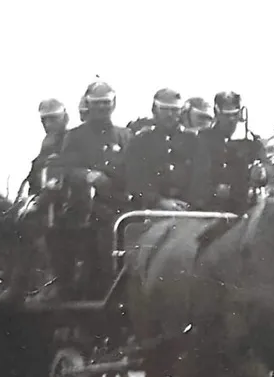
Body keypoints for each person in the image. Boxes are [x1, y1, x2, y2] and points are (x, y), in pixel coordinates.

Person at [47, 80, 133, 299]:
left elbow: (134, 170)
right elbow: (65, 169)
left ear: (113, 104)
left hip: (122, 205)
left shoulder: (125, 136)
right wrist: (87, 175)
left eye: (106, 103)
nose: (102, 108)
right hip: (87, 208)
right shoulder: (75, 136)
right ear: (89, 105)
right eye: (97, 103)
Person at [125, 87, 211, 211]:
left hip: (187, 212)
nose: (170, 114)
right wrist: (158, 201)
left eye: (174, 110)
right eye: (164, 109)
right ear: (154, 110)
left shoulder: (194, 142)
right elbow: (135, 179)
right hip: (148, 211)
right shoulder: (140, 142)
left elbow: (202, 178)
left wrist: (189, 204)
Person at [198, 90, 269, 215]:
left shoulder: (252, 142)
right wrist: (213, 190)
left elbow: (267, 168)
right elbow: (196, 174)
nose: (231, 120)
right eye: (226, 115)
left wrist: (262, 174)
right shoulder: (203, 139)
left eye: (234, 114)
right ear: (217, 113)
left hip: (244, 210)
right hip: (210, 210)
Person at [27, 98, 69, 196]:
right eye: (44, 120)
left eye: (53, 119)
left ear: (64, 118)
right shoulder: (46, 144)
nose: (48, 124)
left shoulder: (72, 140)